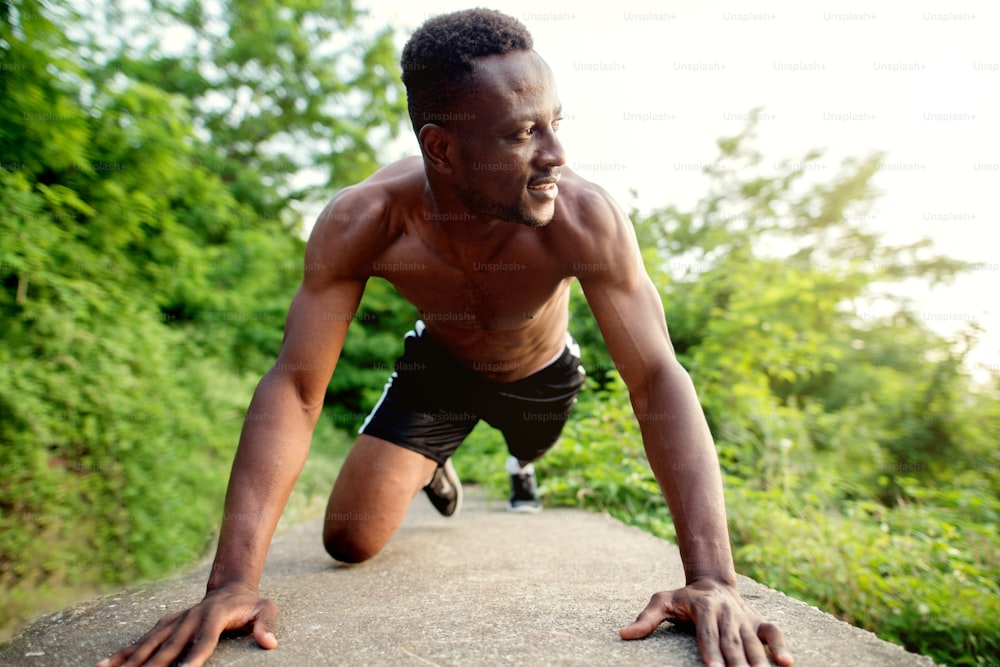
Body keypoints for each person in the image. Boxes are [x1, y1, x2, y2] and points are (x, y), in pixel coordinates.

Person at [99, 9, 793, 667]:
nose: (557, 153)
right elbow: (297, 384)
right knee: (347, 538)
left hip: (541, 373)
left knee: (529, 448)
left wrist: (714, 580)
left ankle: (515, 455)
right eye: (525, 133)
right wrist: (230, 582)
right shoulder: (363, 219)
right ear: (442, 146)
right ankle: (434, 457)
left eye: (556, 122)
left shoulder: (584, 218)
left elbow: (656, 381)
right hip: (440, 370)